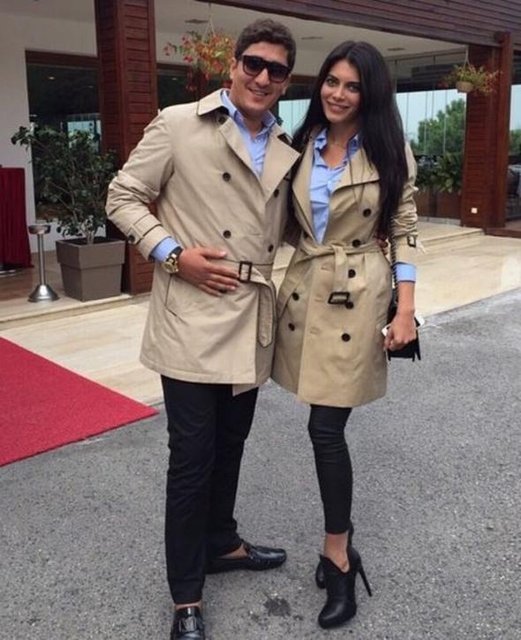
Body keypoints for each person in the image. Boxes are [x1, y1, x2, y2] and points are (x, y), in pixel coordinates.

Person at [105, 19, 300, 640]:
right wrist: (172, 255)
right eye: (253, 63)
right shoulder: (178, 123)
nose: (262, 77)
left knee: (232, 444)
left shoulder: (285, 142)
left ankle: (222, 543)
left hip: (251, 314)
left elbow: (290, 228)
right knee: (192, 458)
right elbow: (122, 196)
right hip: (191, 312)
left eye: (276, 70)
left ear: (286, 81)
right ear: (233, 65)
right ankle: (185, 596)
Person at [272, 40, 421, 629]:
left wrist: (406, 311)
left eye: (352, 85)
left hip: (359, 294)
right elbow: (280, 219)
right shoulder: (299, 143)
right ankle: (339, 547)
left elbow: (404, 228)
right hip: (307, 285)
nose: (337, 93)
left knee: (324, 426)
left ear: (370, 93)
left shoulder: (388, 149)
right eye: (331, 81)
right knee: (317, 422)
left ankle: (338, 554)